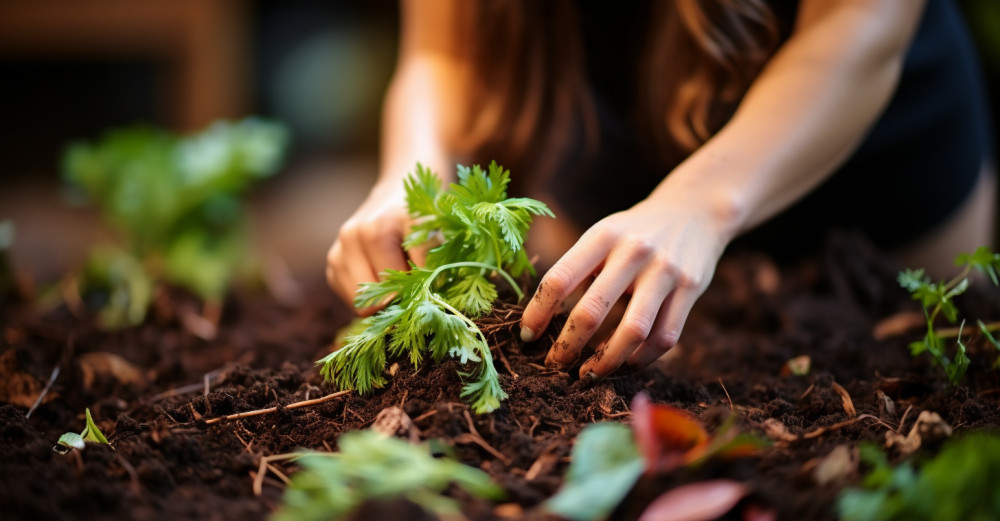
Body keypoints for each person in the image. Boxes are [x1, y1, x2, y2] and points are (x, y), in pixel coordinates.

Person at [326, 0, 995, 382]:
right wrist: (411, 173)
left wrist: (703, 203)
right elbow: (446, 51)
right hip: (617, 133)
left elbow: (861, 28)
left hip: (864, 152)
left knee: (916, 378)